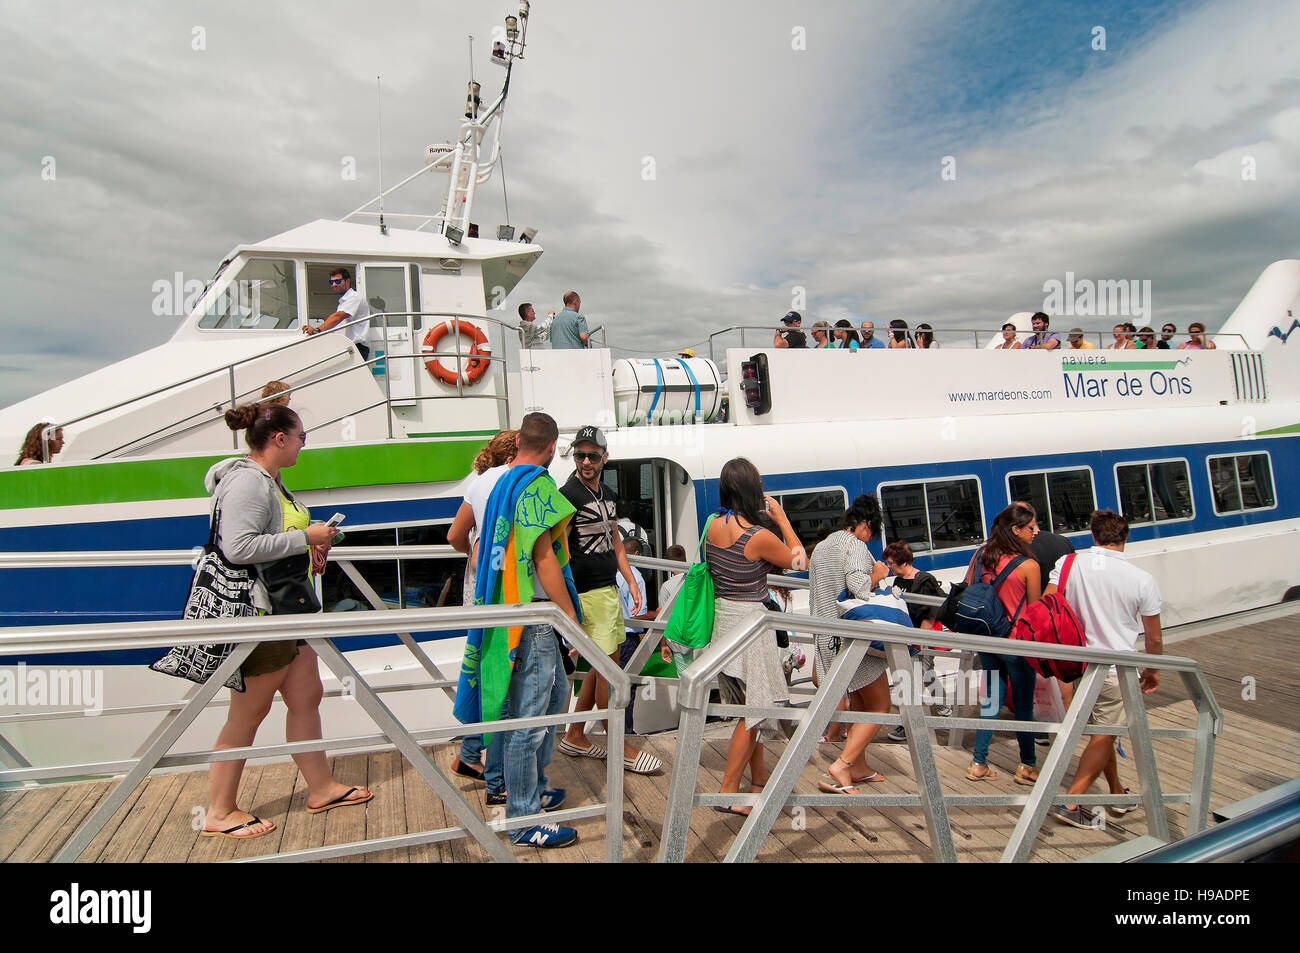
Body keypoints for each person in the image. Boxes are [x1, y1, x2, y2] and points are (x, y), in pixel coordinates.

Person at [200, 402, 368, 839]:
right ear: (279, 439)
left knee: (307, 694)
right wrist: (304, 537)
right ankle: (219, 811)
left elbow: (272, 540)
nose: (302, 445)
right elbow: (237, 548)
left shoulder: (271, 481)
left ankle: (322, 786)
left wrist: (308, 545)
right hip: (262, 614)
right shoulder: (248, 483)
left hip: (288, 610)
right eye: (301, 438)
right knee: (249, 711)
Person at [454, 411, 582, 847]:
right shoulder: (537, 485)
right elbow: (544, 558)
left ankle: (534, 791)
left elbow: (473, 541)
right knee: (530, 721)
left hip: (508, 612)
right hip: (535, 620)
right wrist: (570, 621)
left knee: (542, 704)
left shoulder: (503, 481)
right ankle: (525, 818)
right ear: (551, 448)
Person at [556, 426, 662, 774]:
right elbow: (556, 550)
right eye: (580, 455)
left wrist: (631, 580)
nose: (586, 461)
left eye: (592, 455)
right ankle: (619, 746)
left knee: (600, 669)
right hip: (589, 596)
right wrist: (566, 605)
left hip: (608, 592)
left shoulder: (608, 494)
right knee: (611, 672)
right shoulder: (567, 495)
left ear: (605, 456)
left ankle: (575, 734)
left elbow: (615, 541)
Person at [1049, 510, 1163, 829]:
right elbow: (1153, 638)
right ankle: (1072, 803)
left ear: (1093, 536)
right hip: (1116, 670)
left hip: (1078, 667)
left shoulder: (1068, 565)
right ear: (1125, 537)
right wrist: (1152, 671)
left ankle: (1115, 791)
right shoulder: (1142, 580)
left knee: (1103, 733)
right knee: (1103, 736)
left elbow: (1047, 604)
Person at [709, 458, 806, 815]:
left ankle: (759, 779)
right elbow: (799, 562)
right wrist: (781, 519)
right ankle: (728, 791)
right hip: (750, 627)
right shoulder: (759, 535)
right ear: (753, 490)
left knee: (753, 705)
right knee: (754, 712)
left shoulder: (713, 527)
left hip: (723, 622)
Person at [447, 429, 519, 802]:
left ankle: (471, 753)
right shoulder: (511, 480)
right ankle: (498, 780)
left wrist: (475, 548)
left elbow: (454, 536)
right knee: (502, 685)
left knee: (483, 675)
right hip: (504, 595)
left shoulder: (478, 483)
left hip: (478, 592)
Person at [810, 496, 893, 795]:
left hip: (827, 638)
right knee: (881, 704)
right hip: (855, 640)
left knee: (859, 703)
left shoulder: (821, 548)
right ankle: (843, 764)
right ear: (867, 525)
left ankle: (858, 765)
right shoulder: (855, 546)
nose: (871, 538)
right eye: (873, 531)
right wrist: (879, 574)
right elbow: (859, 587)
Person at [963, 502, 1042, 785]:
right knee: (1022, 706)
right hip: (1016, 644)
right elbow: (1035, 611)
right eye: (1031, 527)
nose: (1035, 532)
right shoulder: (1030, 566)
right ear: (1016, 529)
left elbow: (969, 587)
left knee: (992, 701)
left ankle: (978, 762)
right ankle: (1027, 766)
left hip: (988, 639)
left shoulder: (983, 555)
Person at [302, 267, 371, 360]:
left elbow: (338, 317)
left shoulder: (354, 298)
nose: (334, 284)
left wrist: (317, 330)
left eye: (338, 281)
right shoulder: (344, 301)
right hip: (348, 347)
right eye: (331, 282)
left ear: (347, 281)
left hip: (357, 348)